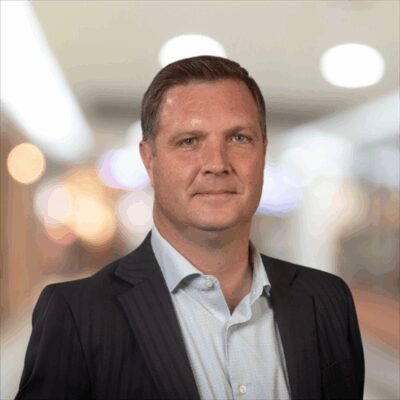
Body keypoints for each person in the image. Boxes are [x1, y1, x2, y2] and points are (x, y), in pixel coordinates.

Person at [16, 56, 364, 400]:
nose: (217, 164)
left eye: (239, 138)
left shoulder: (327, 300)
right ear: (149, 160)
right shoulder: (77, 315)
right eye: (189, 141)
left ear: (263, 152)